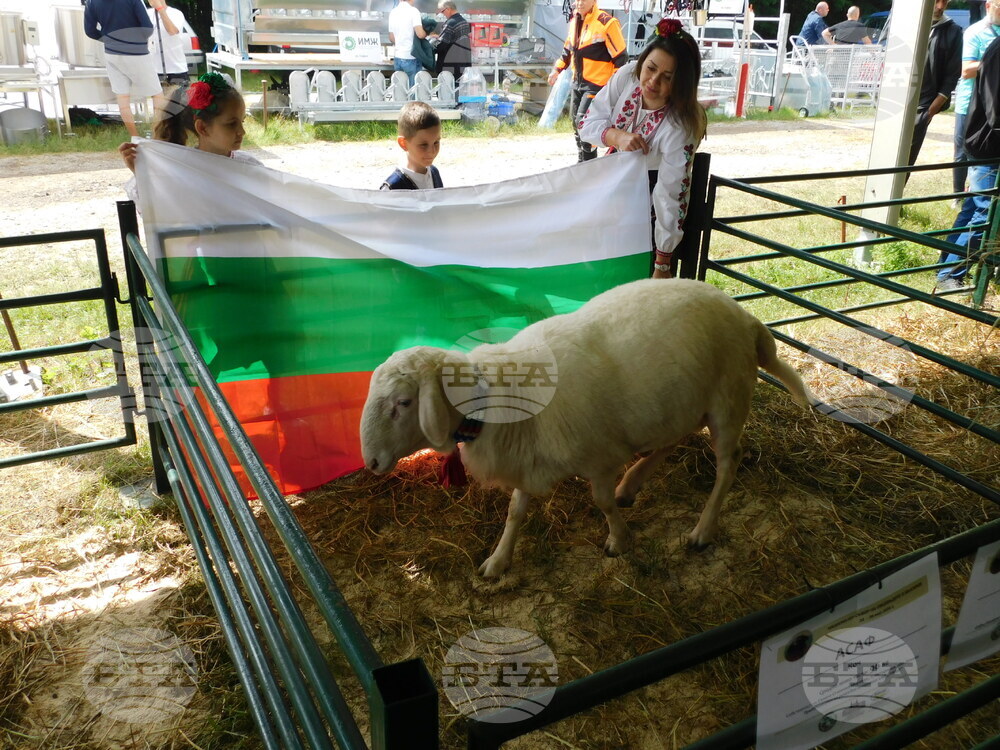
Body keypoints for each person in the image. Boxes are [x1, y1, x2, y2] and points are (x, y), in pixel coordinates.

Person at [579, 18, 706, 279]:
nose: (652, 81)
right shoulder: (628, 76)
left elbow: (670, 194)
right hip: (610, 189)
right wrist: (616, 136)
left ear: (681, 83)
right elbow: (588, 123)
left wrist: (663, 261)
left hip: (647, 209)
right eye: (650, 68)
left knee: (627, 283)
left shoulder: (679, 126)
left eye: (667, 78)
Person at [119, 72, 261, 202]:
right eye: (231, 124)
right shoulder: (180, 171)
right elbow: (158, 211)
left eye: (242, 122)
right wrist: (142, 174)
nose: (242, 131)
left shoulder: (250, 167)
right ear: (203, 128)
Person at [938, 0, 1000, 290]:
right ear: (989, 5)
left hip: (986, 128)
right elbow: (967, 72)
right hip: (981, 128)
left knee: (977, 202)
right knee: (984, 206)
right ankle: (951, 272)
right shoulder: (978, 34)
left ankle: (947, 267)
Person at [547, 0, 627, 162]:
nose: (580, 3)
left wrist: (615, 87)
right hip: (578, 82)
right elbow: (567, 50)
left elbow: (621, 58)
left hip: (597, 85)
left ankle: (590, 161)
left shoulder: (606, 22)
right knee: (575, 122)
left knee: (583, 122)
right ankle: (582, 160)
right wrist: (557, 70)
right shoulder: (575, 21)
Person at [84, 0, 166, 137]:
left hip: (111, 54)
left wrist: (110, 40)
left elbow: (90, 31)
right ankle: (159, 135)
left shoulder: (91, 2)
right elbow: (147, 28)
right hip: (136, 53)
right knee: (157, 94)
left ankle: (135, 137)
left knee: (123, 98)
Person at [952, 0, 1000, 203]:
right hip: (969, 105)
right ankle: (957, 195)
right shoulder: (975, 31)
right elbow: (966, 69)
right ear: (988, 6)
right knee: (964, 154)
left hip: (993, 105)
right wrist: (992, 63)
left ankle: (974, 197)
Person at [907, 0, 962, 168]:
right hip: (898, 102)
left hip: (923, 108)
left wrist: (929, 113)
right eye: (936, 1)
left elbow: (951, 78)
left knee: (905, 162)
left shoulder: (953, 31)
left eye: (944, 2)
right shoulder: (905, 24)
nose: (940, 6)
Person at [380, 101, 444, 190]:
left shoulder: (434, 173)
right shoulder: (392, 188)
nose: (432, 151)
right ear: (403, 143)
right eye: (423, 145)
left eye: (436, 142)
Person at [146, 0, 193, 88]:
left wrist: (160, 9)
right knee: (159, 101)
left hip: (176, 70)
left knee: (178, 101)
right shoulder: (147, 14)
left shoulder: (175, 13)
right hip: (155, 71)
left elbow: (172, 31)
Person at [389, 0, 431, 88]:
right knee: (412, 90)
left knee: (400, 91)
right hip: (411, 56)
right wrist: (427, 33)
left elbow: (392, 37)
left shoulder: (393, 12)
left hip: (398, 57)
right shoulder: (413, 11)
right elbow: (420, 34)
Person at [434, 1, 471, 78]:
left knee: (446, 88)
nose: (442, 14)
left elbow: (442, 44)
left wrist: (431, 47)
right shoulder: (464, 22)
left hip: (448, 65)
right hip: (462, 63)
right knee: (457, 88)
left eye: (442, 11)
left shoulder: (450, 23)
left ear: (448, 9)